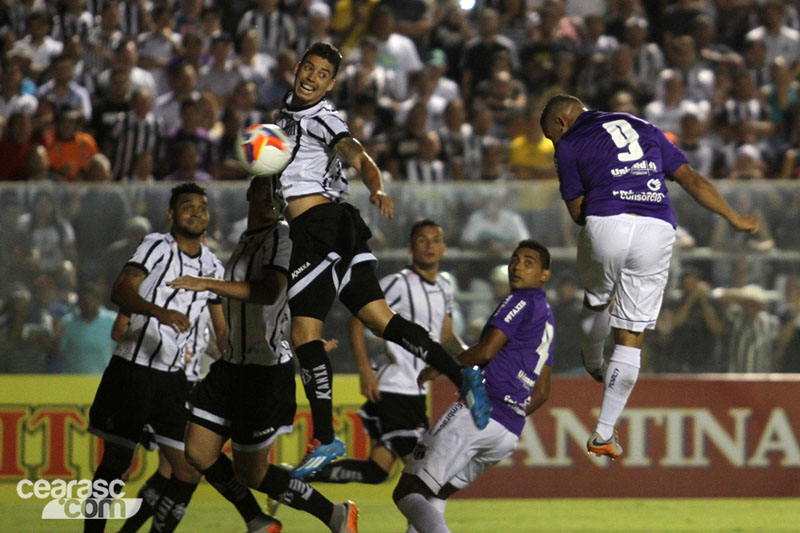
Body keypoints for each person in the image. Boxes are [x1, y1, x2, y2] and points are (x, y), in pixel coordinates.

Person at [273, 41, 490, 478]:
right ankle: (462, 376)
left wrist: (376, 184)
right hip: (337, 224)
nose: (312, 78)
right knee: (379, 319)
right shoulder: (284, 117)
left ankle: (325, 438)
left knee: (303, 332)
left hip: (321, 226)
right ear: (297, 69)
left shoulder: (323, 117)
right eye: (308, 69)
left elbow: (357, 155)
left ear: (331, 83)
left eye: (321, 74)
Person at [539, 94, 760, 459]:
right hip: (657, 228)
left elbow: (578, 212)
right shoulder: (645, 127)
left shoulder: (569, 143)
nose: (554, 142)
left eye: (551, 136)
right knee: (631, 335)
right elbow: (690, 178)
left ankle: (593, 359)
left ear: (561, 124)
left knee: (596, 298)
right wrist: (733, 217)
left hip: (607, 222)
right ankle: (603, 433)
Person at [166, 176, 358, 532]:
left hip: (264, 373)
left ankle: (336, 515)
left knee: (252, 472)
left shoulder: (285, 237)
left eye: (278, 191)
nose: (272, 197)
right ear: (249, 193)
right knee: (197, 452)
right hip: (231, 366)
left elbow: (270, 292)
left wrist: (208, 283)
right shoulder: (247, 240)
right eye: (265, 189)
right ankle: (257, 519)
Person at [83, 183, 255, 533]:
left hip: (176, 381)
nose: (196, 213)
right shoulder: (156, 246)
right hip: (133, 370)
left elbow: (221, 333)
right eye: (188, 207)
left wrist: (240, 368)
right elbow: (121, 289)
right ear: (171, 214)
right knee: (117, 463)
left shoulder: (212, 267)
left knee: (189, 469)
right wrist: (157, 312)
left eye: (202, 208)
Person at [393, 240, 554, 533]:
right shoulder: (547, 318)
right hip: (508, 431)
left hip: (480, 411)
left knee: (406, 491)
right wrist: (511, 413)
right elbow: (542, 392)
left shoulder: (521, 300)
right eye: (515, 259)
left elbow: (486, 351)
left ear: (545, 275)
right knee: (434, 492)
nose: (517, 266)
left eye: (528, 262)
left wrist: (439, 367)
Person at [306, 219, 464, 487]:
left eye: (435, 240)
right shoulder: (398, 283)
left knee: (376, 471)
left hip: (415, 392)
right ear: (411, 248)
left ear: (444, 248)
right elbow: (356, 320)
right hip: (394, 388)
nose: (429, 246)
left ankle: (297, 476)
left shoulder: (445, 287)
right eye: (422, 240)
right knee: (426, 472)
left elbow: (446, 337)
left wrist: (477, 357)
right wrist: (365, 369)